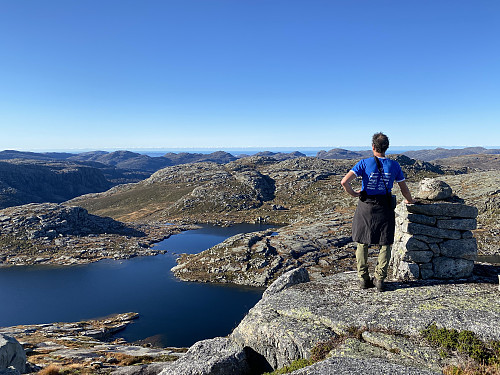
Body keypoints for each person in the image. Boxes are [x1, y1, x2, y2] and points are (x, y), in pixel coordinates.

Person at [341, 132, 415, 292]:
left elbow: (344, 181)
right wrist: (410, 201)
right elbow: (404, 189)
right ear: (386, 147)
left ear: (373, 147)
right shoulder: (394, 166)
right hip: (385, 206)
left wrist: (354, 193)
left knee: (362, 241)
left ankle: (363, 279)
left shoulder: (364, 163)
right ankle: (380, 279)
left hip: (366, 205)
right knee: (385, 242)